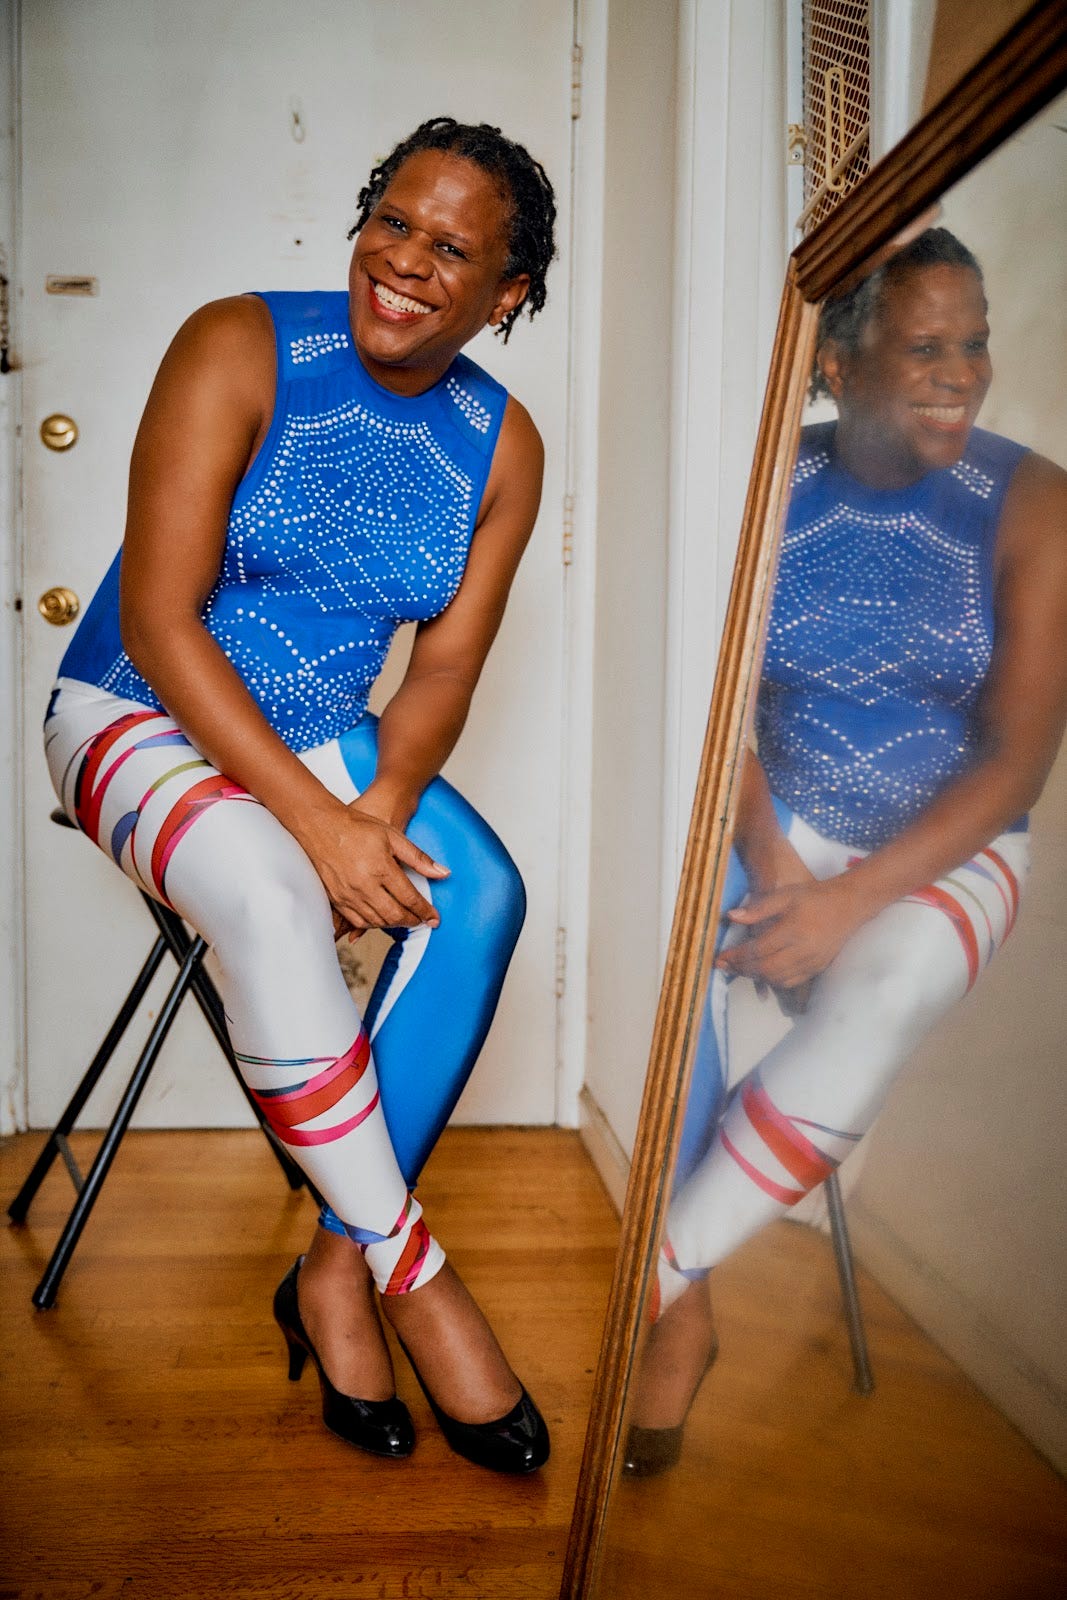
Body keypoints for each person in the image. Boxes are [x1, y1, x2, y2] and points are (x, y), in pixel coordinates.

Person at [43, 117, 557, 1474]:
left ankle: (330, 1268)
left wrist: (378, 799)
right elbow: (159, 619)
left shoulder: (503, 449)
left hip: (330, 737)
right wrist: (318, 827)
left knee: (482, 896)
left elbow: (442, 671)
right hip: (135, 712)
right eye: (390, 220)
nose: (402, 262)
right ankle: (413, 1276)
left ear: (506, 294)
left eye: (452, 248)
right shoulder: (238, 341)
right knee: (273, 888)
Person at [624, 228, 1067, 1476]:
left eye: (972, 343)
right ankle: (686, 1312)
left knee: (880, 986)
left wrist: (847, 905)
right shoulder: (769, 485)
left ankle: (646, 1289)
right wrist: (775, 870)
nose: (959, 374)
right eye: (923, 346)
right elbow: (726, 710)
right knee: (662, 963)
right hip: (774, 818)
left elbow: (1011, 768)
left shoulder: (1033, 502)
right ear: (836, 361)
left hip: (947, 848)